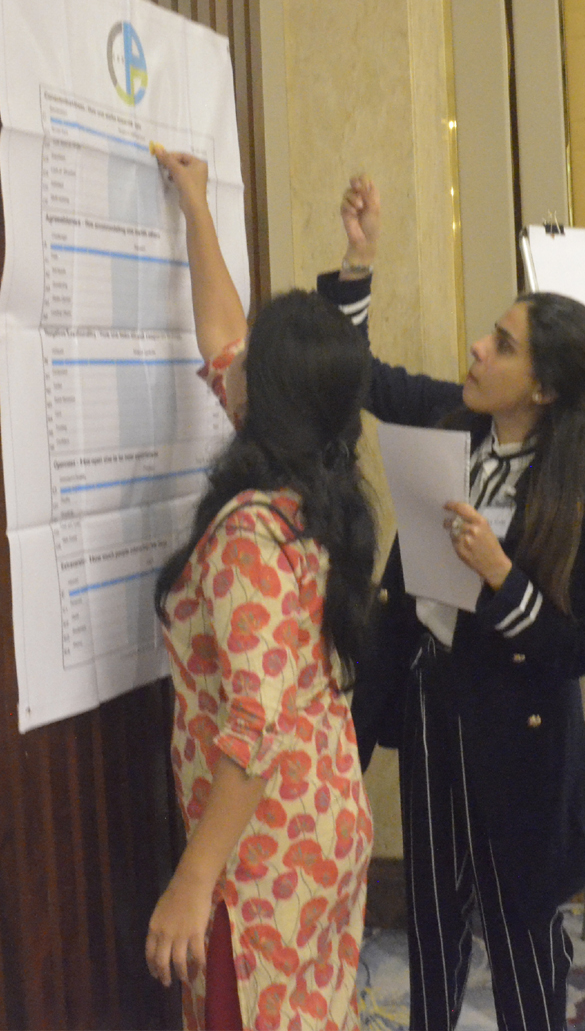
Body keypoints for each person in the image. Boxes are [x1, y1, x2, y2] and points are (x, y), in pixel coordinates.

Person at [320, 175, 585, 1031]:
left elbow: (577, 648)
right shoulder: (454, 420)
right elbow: (362, 379)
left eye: (503, 344)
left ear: (545, 388)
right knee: (432, 913)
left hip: (519, 734)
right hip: (432, 701)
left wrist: (501, 575)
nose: (478, 349)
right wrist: (358, 260)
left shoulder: (583, 485)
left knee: (521, 927)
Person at [144, 146, 377, 1031]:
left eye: (248, 364)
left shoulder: (249, 532)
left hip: (264, 851)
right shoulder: (320, 484)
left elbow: (254, 723)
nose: (227, 365)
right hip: (323, 813)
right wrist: (197, 206)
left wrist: (192, 880)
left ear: (260, 397)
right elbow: (224, 339)